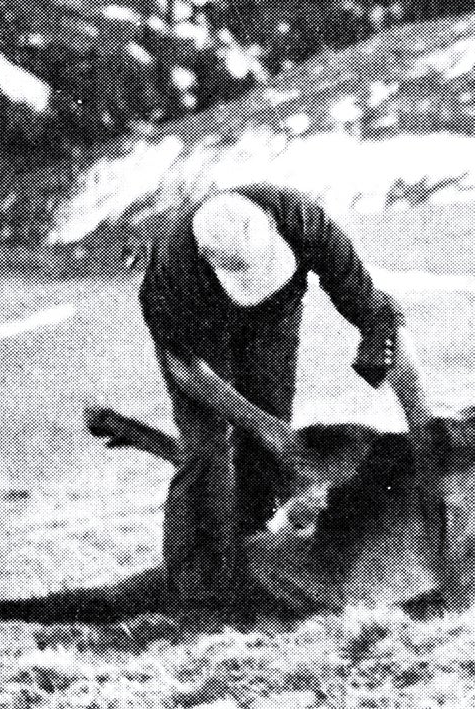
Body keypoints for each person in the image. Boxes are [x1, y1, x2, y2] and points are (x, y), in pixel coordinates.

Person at [139, 183, 432, 619]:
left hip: (275, 312)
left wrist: (423, 429)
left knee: (267, 432)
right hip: (202, 330)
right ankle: (193, 589)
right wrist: (274, 436)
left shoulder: (306, 221)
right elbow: (187, 370)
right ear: (208, 259)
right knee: (209, 452)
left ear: (274, 229)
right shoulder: (174, 271)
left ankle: (250, 563)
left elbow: (380, 319)